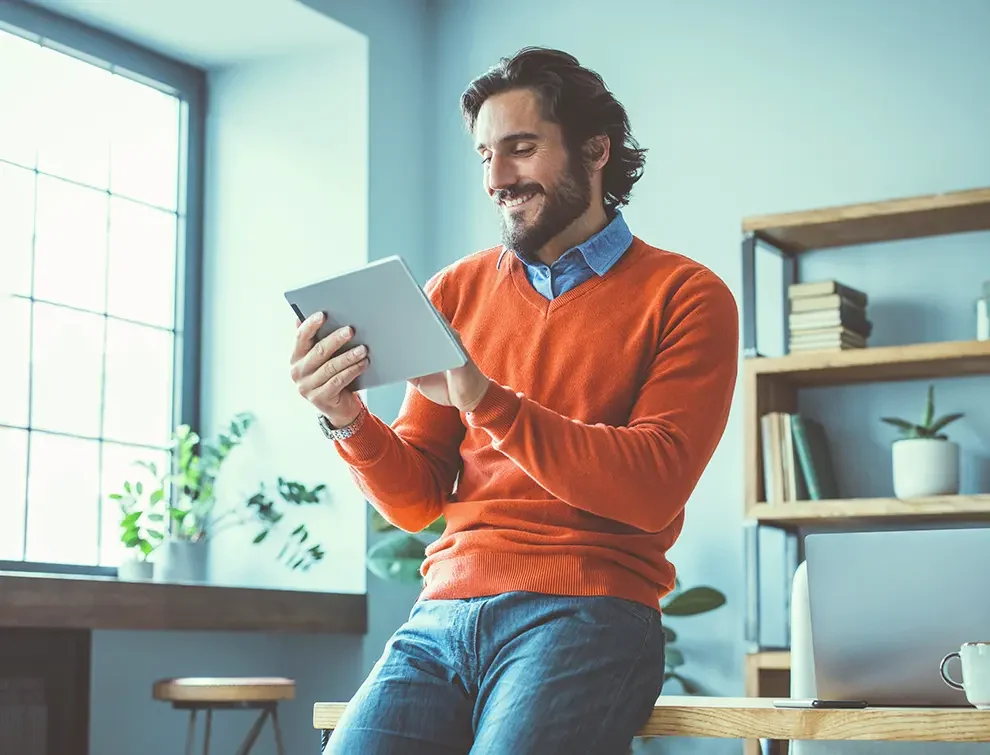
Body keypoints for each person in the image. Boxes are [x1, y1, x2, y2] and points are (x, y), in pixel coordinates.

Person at [290, 46, 739, 755]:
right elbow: (418, 500)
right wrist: (347, 420)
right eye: (484, 155)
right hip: (441, 615)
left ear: (595, 150)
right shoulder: (453, 291)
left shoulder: (687, 295)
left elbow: (653, 485)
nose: (496, 178)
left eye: (521, 149)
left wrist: (488, 401)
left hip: (589, 610)